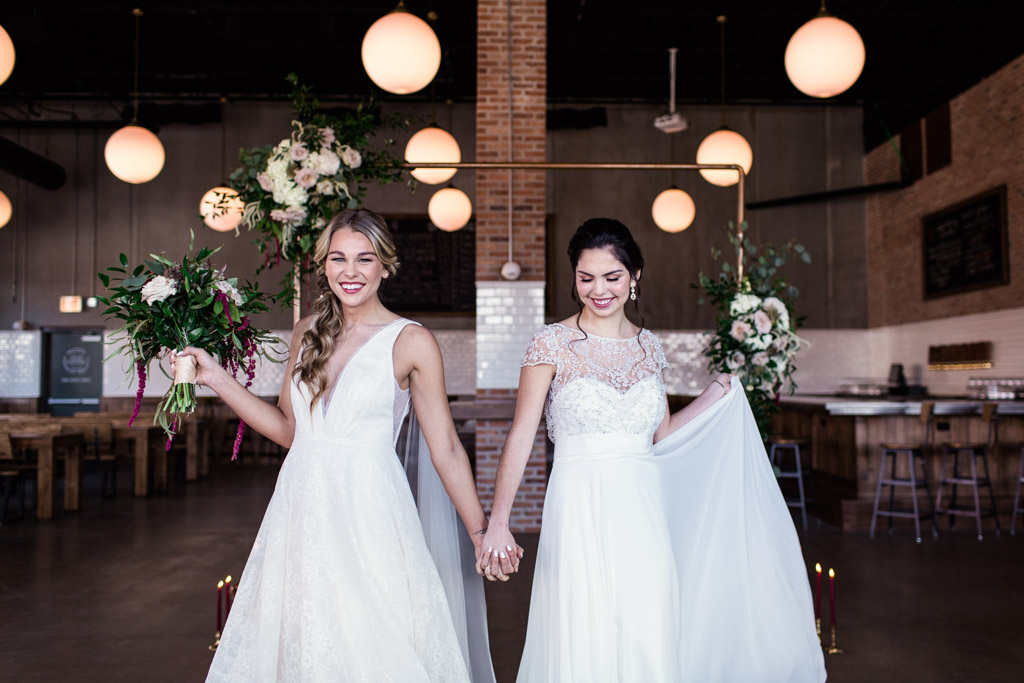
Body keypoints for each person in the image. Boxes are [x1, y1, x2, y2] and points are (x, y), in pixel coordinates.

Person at [478, 218, 826, 682]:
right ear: (574, 277)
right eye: (586, 278)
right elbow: (522, 434)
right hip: (580, 505)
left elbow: (660, 435)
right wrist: (498, 522)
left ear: (634, 276)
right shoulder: (551, 343)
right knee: (584, 623)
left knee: (647, 622)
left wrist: (712, 396)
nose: (598, 289)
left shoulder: (648, 347)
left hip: (645, 510)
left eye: (612, 276)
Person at [175, 209, 502, 682]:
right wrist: (215, 378)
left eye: (364, 260)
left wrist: (479, 531)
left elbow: (446, 446)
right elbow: (290, 431)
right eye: (338, 259)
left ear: (384, 266)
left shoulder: (410, 341)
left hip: (370, 509)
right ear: (324, 265)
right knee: (308, 633)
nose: (350, 272)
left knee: (374, 633)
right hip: (301, 507)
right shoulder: (307, 332)